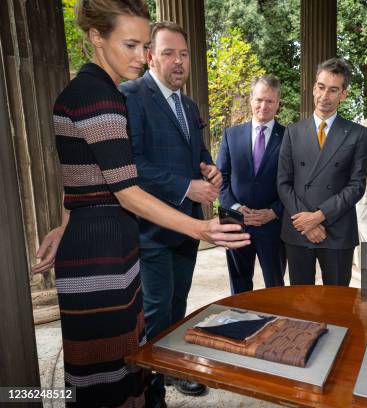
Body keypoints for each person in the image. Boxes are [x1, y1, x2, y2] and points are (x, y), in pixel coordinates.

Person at [31, 1, 249, 406]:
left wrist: (66, 227)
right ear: (97, 37)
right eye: (132, 45)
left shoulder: (94, 90)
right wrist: (201, 227)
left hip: (101, 240)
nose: (140, 55)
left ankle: (152, 390)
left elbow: (78, 176)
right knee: (113, 365)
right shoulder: (108, 97)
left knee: (112, 360)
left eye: (144, 45)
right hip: (108, 248)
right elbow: (126, 187)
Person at [119, 21, 216, 398]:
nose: (178, 62)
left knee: (178, 305)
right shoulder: (131, 95)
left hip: (186, 228)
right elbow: (132, 165)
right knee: (157, 312)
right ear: (150, 57)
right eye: (168, 53)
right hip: (151, 231)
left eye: (184, 54)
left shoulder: (188, 105)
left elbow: (197, 154)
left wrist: (208, 168)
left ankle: (172, 371)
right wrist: (185, 186)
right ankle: (152, 389)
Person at [277, 58, 367, 286]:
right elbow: (283, 183)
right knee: (300, 303)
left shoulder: (356, 134)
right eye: (321, 87)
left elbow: (357, 185)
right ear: (313, 87)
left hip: (336, 230)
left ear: (343, 94)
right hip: (298, 229)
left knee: (336, 304)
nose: (324, 96)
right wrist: (305, 223)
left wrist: (318, 217)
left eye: (333, 90)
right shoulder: (293, 132)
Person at [217, 75, 286, 293]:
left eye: (269, 101)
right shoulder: (231, 135)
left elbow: (295, 183)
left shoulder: (289, 137)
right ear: (250, 99)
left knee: (275, 287)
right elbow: (221, 178)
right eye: (259, 99)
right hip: (235, 222)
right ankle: (241, 323)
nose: (263, 106)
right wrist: (236, 208)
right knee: (238, 286)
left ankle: (276, 326)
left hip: (273, 225)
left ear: (278, 104)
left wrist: (274, 212)